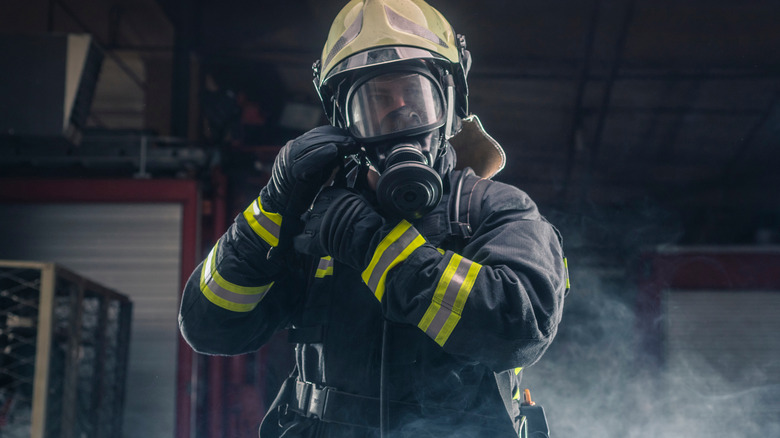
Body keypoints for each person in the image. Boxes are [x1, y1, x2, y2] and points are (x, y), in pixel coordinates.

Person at [178, 0, 569, 436]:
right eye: (376, 100)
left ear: (452, 102)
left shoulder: (496, 211)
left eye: (417, 96)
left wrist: (373, 244)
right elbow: (210, 328)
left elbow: (520, 329)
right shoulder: (314, 220)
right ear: (342, 121)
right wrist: (272, 209)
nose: (402, 115)